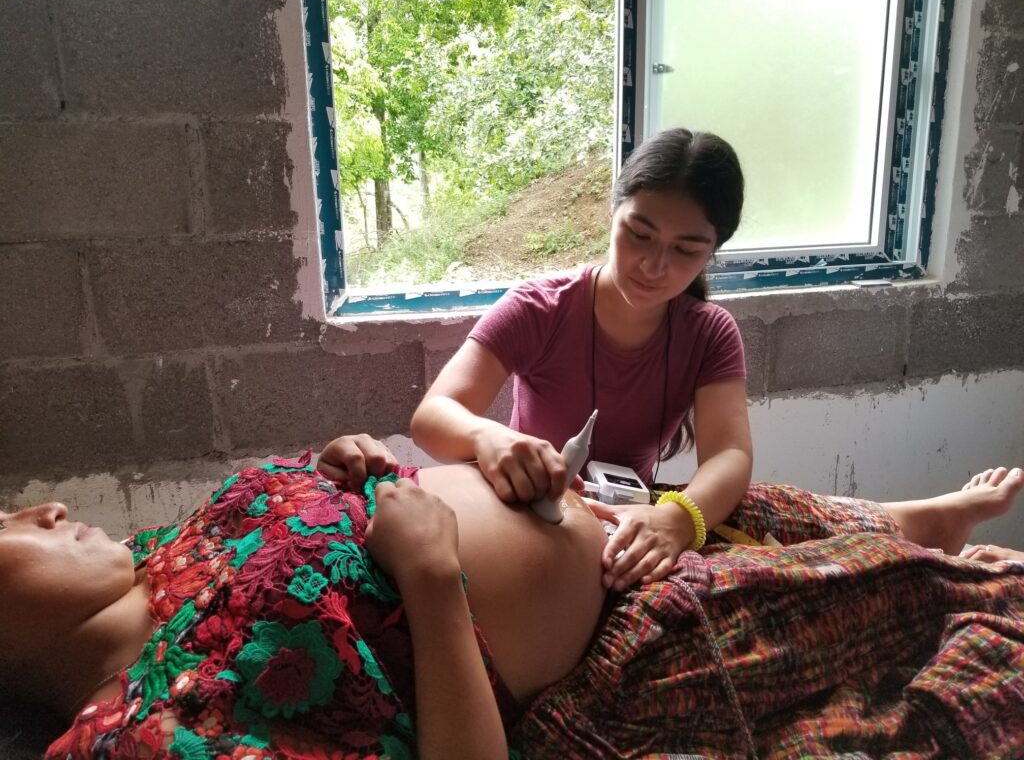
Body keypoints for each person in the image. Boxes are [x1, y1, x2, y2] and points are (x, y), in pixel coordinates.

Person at [2, 435, 1022, 758]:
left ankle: (904, 515)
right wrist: (437, 584)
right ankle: (916, 534)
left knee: (724, 500)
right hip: (620, 650)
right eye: (6, 525)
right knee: (959, 609)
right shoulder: (135, 738)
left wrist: (351, 463)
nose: (45, 508)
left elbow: (318, 537)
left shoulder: (153, 554)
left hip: (602, 529)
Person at [411, 128, 752, 592]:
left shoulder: (709, 332)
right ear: (613, 213)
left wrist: (676, 520)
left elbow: (730, 453)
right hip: (527, 521)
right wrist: (486, 435)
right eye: (639, 234)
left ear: (713, 251)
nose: (654, 266)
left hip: (626, 530)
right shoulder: (539, 308)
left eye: (685, 250)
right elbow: (433, 415)